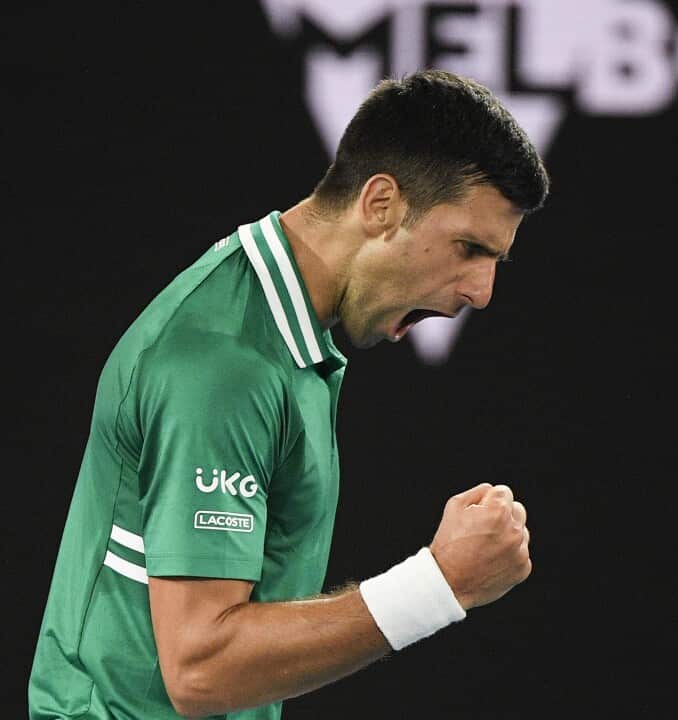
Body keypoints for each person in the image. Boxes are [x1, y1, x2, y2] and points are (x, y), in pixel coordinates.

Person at [28, 68, 550, 719]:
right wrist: (439, 583)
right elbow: (201, 669)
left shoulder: (277, 329)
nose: (481, 292)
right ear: (380, 205)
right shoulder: (224, 365)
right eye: (468, 248)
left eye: (494, 262)